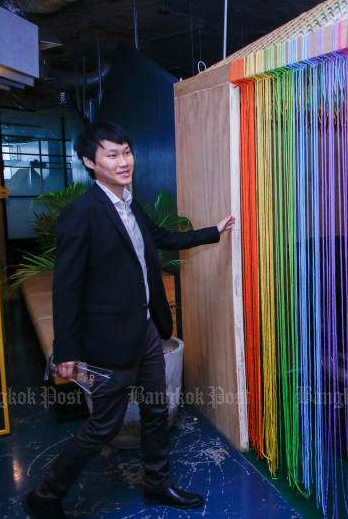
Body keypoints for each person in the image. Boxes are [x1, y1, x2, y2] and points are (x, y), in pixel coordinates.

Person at [23, 121, 235, 519]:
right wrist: (65, 349)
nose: (124, 162)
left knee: (157, 409)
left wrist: (213, 232)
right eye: (112, 154)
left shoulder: (130, 203)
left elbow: (160, 238)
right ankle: (46, 495)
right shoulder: (80, 214)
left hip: (146, 330)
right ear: (90, 162)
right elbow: (66, 287)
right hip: (107, 338)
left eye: (126, 151)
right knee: (105, 424)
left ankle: (156, 485)